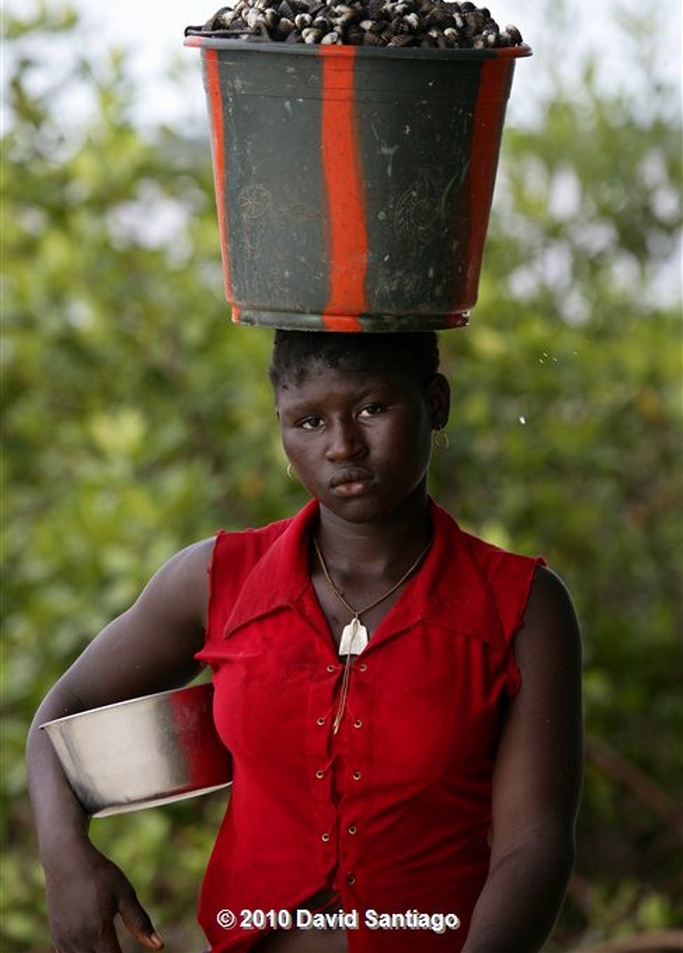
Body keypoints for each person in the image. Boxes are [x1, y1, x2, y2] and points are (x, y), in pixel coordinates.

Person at [27, 329, 583, 953]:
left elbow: (532, 843)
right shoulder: (216, 581)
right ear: (282, 432)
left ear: (437, 402)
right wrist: (66, 858)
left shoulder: (521, 606)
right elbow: (61, 713)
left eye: (373, 409)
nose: (343, 445)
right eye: (310, 421)